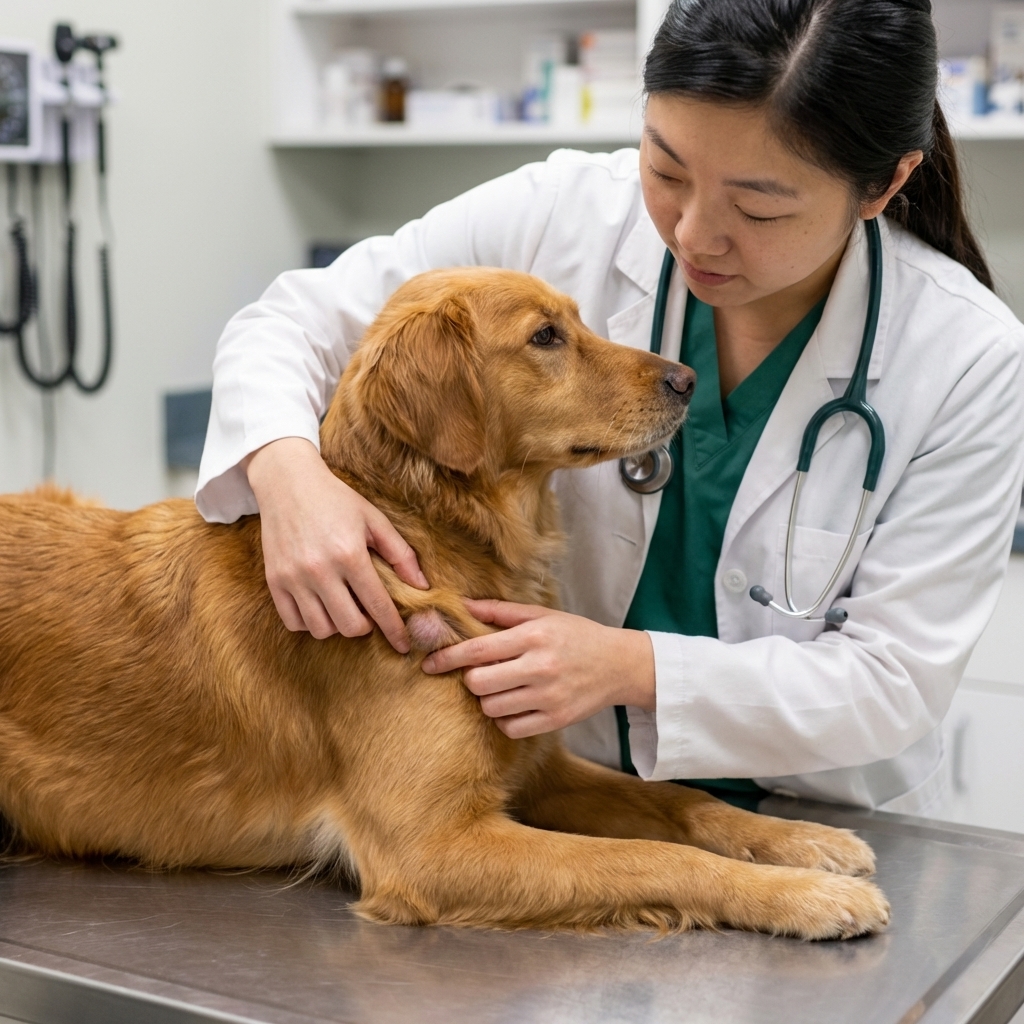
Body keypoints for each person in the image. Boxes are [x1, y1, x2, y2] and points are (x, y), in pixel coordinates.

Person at [197, 0, 1024, 815]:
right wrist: (287, 472)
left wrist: (633, 668)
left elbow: (891, 684)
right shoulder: (561, 212)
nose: (695, 233)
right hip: (557, 801)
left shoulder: (967, 357)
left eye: (759, 207)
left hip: (815, 813)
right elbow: (291, 321)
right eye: (666, 169)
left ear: (885, 184)